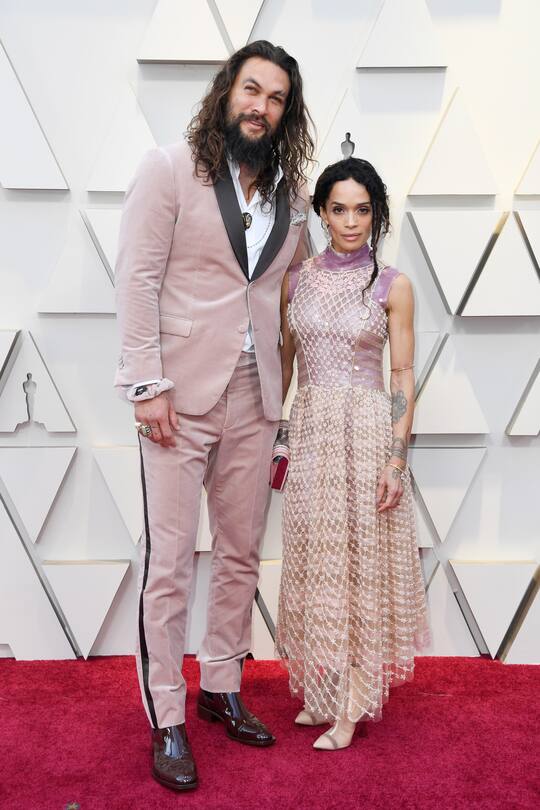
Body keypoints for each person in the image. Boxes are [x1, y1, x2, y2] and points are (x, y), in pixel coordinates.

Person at [114, 40, 314, 790]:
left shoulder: (291, 199)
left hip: (256, 397)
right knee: (168, 565)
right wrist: (145, 384)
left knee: (238, 553)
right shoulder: (168, 168)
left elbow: (294, 295)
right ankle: (167, 714)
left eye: (276, 99)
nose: (260, 106)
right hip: (177, 396)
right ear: (227, 92)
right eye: (251, 90)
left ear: (284, 114)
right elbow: (136, 278)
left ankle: (220, 686)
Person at [275, 157, 429, 751]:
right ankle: (321, 693)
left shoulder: (393, 285)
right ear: (320, 212)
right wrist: (279, 436)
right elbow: (286, 364)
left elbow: (402, 375)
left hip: (366, 432)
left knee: (362, 565)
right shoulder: (298, 280)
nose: (351, 221)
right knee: (318, 558)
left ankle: (352, 705)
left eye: (363, 209)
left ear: (377, 214)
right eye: (339, 208)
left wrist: (396, 456)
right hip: (312, 429)